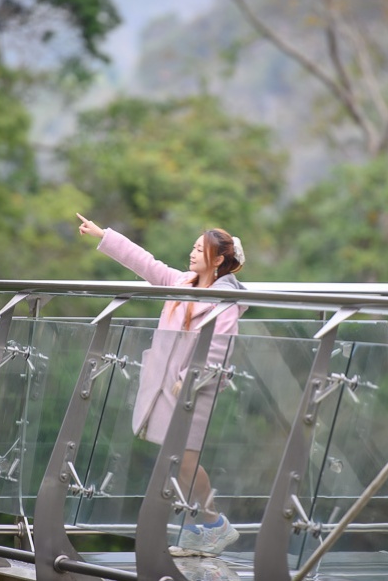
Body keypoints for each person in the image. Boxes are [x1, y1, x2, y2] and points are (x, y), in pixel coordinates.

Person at [76, 212, 245, 557]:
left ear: (219, 260)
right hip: (169, 387)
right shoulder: (181, 282)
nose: (193, 253)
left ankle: (213, 524)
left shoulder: (224, 300)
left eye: (201, 250)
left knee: (184, 458)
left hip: (193, 390)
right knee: (177, 458)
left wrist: (187, 380)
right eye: (194, 248)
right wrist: (102, 234)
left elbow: (219, 349)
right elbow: (145, 262)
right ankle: (200, 527)